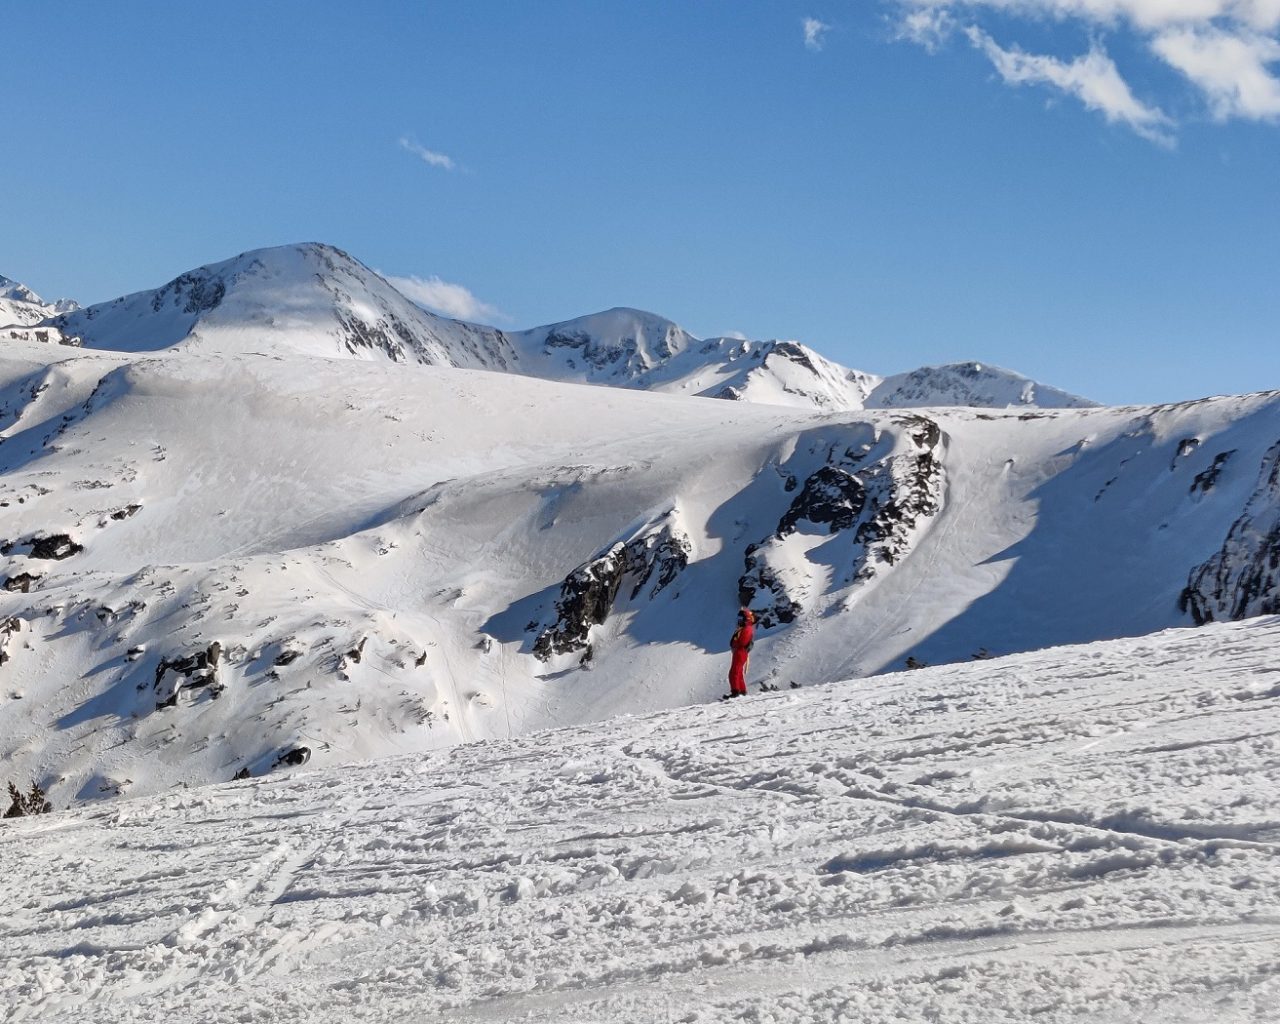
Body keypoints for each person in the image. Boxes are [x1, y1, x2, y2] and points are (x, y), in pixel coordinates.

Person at [727, 608, 755, 698]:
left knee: (734, 672)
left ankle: (735, 692)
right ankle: (741, 691)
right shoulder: (747, 628)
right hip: (741, 652)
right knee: (738, 672)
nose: (739, 621)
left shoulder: (746, 629)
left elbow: (741, 642)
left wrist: (735, 643)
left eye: (741, 618)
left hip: (740, 651)